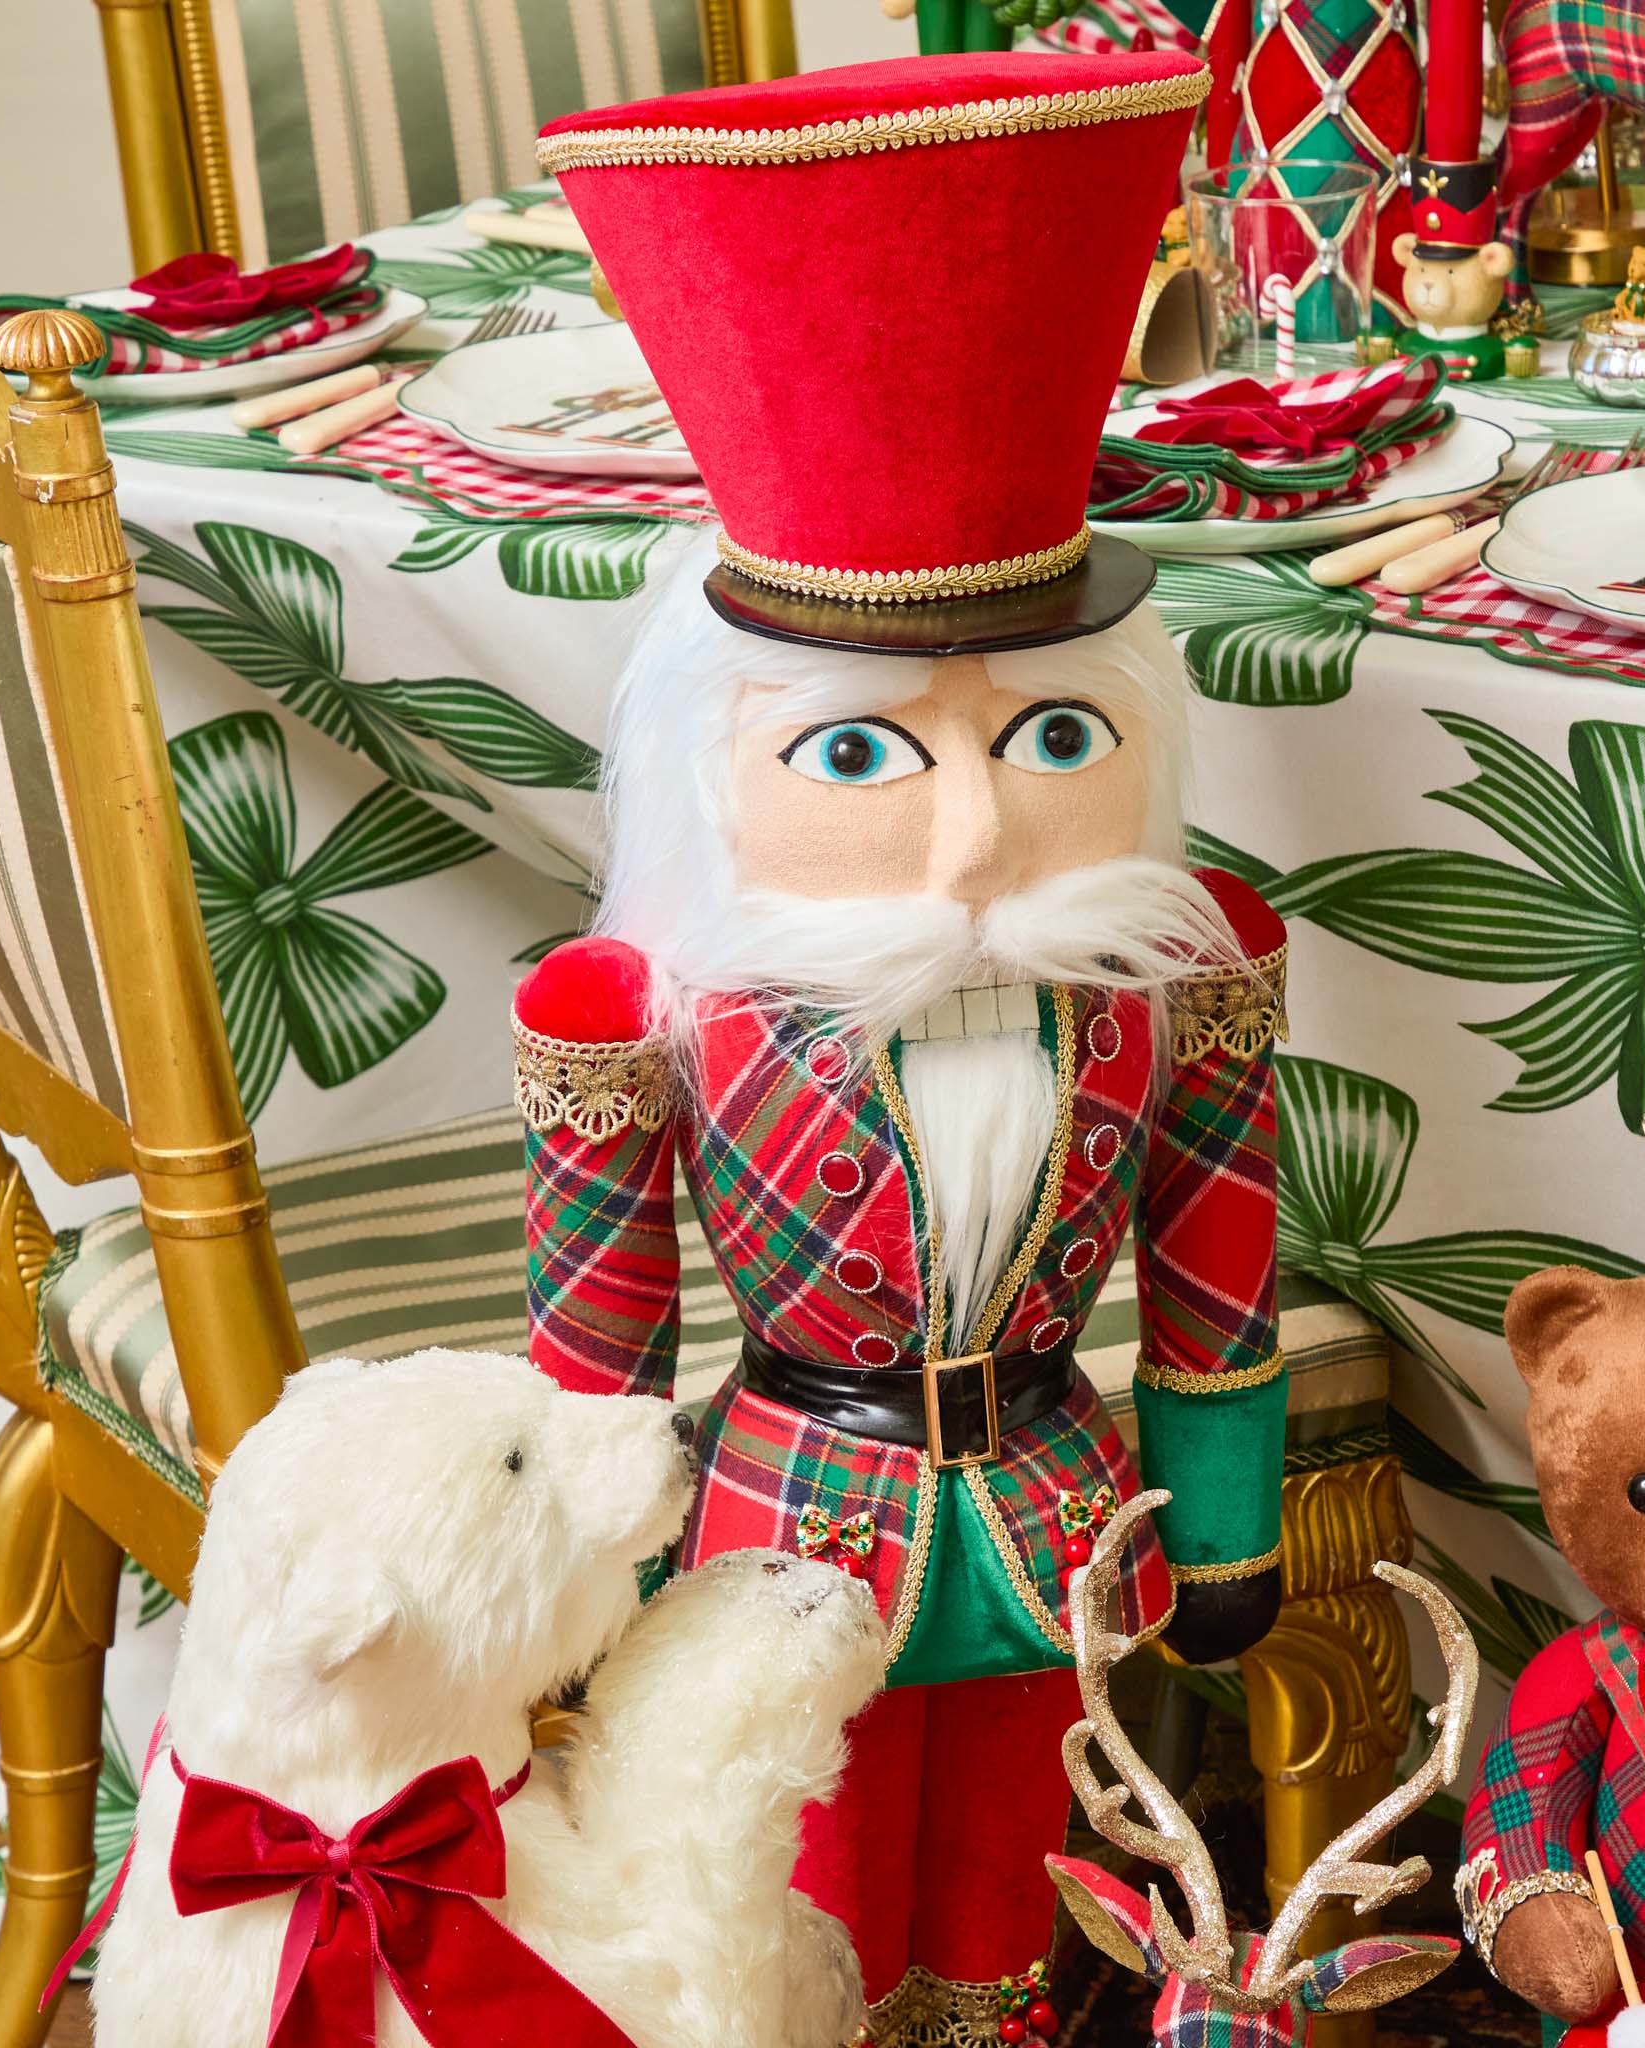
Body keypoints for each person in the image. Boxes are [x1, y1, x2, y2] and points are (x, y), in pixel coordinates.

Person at [523, 50, 1293, 2045]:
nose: (967, 842)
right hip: (782, 1525)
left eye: (1047, 738)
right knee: (800, 1888)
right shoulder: (640, 1018)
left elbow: (1210, 1286)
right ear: (717, 761)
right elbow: (600, 1336)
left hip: (1053, 1511)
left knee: (1022, 1882)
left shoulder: (1183, 978)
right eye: (859, 751)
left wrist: (1223, 1529)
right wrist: (574, 1572)